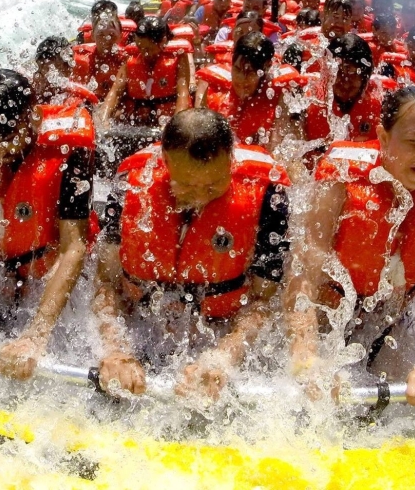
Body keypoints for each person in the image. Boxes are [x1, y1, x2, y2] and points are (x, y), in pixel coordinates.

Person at [93, 109, 290, 398]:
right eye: (185, 185)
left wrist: (224, 357)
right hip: (142, 326)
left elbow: (263, 302)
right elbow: (106, 284)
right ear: (165, 160)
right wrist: (115, 350)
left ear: (231, 160)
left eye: (213, 185)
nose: (200, 197)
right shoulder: (130, 184)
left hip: (221, 330)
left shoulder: (269, 196)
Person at [284, 86, 415, 406]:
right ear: (382, 137)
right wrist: (306, 352)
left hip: (388, 324)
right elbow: (304, 273)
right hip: (326, 319)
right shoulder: (341, 181)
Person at [0, 69, 95, 380]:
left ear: (33, 117)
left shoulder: (70, 154)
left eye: (6, 140)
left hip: (44, 278)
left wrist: (36, 336)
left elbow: (74, 248)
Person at [195, 32, 303, 149]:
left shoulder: (281, 96)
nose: (242, 79)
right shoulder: (215, 88)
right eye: (237, 69)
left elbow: (279, 148)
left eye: (250, 72)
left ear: (265, 68)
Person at [99, 16, 191, 129]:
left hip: (166, 121)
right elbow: (115, 92)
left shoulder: (178, 57)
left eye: (148, 49)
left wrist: (174, 127)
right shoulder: (130, 57)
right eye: (139, 47)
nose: (143, 53)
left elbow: (183, 94)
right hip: (135, 121)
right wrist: (103, 120)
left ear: (163, 41)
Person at [73, 0, 128, 102]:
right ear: (92, 35)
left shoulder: (126, 60)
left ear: (121, 35)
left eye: (112, 35)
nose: (106, 40)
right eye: (101, 35)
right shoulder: (79, 59)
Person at [32, 36, 98, 107]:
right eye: (38, 72)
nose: (69, 68)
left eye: (66, 65)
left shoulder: (73, 97)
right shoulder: (27, 86)